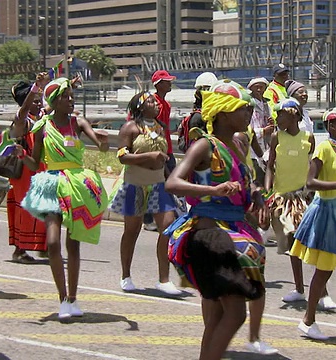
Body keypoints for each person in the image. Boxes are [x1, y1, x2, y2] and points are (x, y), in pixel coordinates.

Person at [164, 80, 270, 360]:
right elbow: (173, 184)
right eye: (241, 108)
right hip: (211, 236)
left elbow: (244, 188)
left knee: (218, 317)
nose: (248, 113)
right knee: (234, 314)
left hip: (234, 231)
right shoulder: (204, 146)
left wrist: (257, 197)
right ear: (222, 113)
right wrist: (211, 190)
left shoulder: (237, 146)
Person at [21, 77, 109, 320]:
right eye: (65, 96)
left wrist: (102, 143)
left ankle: (72, 298)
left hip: (78, 184)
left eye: (71, 96)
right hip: (52, 183)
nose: (70, 100)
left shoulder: (77, 122)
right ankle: (62, 298)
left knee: (73, 243)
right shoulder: (42, 126)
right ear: (53, 100)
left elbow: (98, 143)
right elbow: (35, 161)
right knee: (52, 242)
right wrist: (21, 155)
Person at [290, 107, 336, 340]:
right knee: (325, 269)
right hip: (325, 212)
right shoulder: (323, 147)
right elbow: (310, 183)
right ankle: (308, 320)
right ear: (331, 126)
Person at [110, 91, 179, 295]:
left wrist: (171, 178)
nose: (156, 104)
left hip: (158, 184)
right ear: (140, 106)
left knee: (167, 228)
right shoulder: (130, 128)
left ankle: (164, 279)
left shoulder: (160, 127)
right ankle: (126, 275)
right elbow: (122, 156)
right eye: (150, 101)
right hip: (135, 185)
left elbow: (164, 157)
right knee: (132, 231)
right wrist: (150, 155)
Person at [264, 98, 315, 303]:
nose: (277, 119)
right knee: (293, 239)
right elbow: (270, 166)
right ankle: (300, 289)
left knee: (310, 243)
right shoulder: (277, 137)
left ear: (293, 114)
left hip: (303, 197)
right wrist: (268, 190)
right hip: (283, 198)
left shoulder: (308, 138)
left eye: (280, 115)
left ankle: (321, 292)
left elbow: (313, 166)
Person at [5, 77, 49, 263]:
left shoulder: (39, 118)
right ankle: (19, 250)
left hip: (38, 169)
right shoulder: (22, 121)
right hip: (24, 172)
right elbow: (22, 112)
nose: (40, 104)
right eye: (35, 101)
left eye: (40, 100)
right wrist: (35, 88)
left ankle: (42, 247)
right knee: (26, 210)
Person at [143, 69, 177, 232]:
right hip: (157, 149)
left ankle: (168, 216)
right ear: (159, 84)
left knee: (167, 182)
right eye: (167, 81)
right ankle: (149, 219)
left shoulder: (167, 105)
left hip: (167, 149)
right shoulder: (153, 103)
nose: (170, 84)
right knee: (157, 184)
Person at [247, 77, 273, 186]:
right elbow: (249, 130)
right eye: (256, 87)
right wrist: (263, 131)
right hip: (253, 152)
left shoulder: (267, 104)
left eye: (261, 87)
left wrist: (272, 124)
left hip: (266, 150)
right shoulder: (249, 105)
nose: (259, 90)